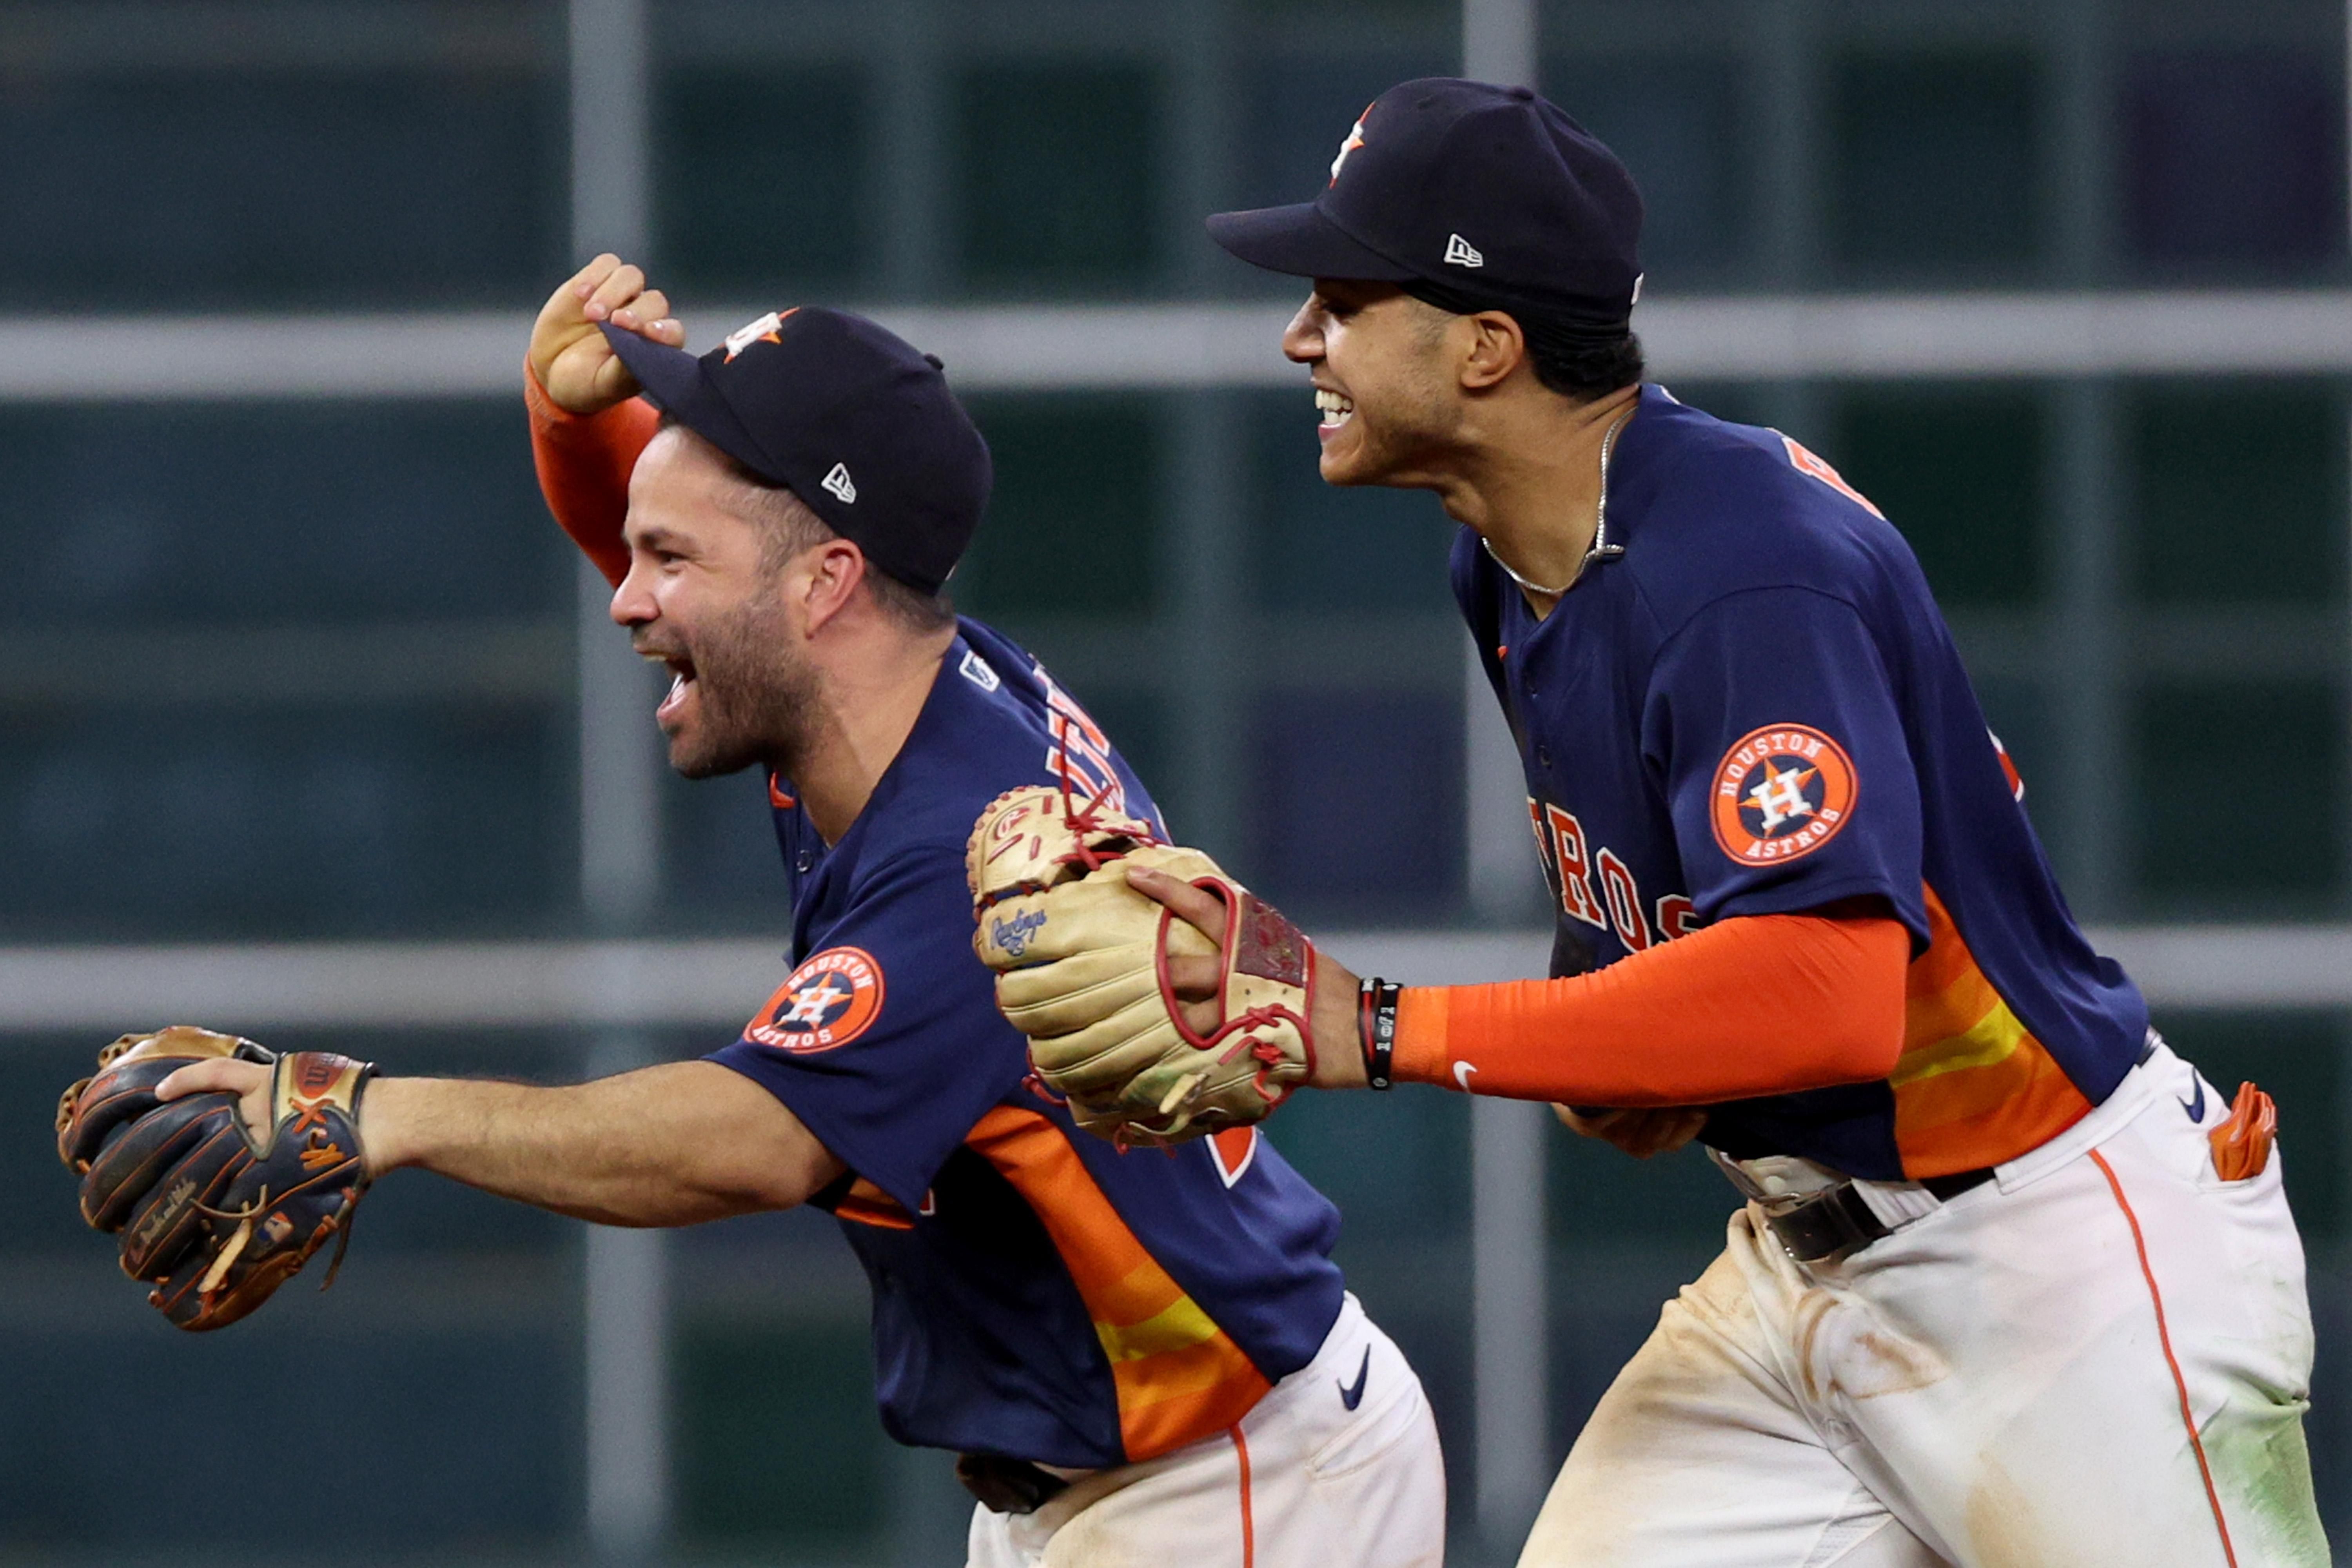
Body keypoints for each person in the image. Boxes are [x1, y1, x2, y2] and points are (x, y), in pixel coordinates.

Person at [1000, 79, 2329, 1566]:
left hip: (2060, 1269)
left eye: (1342, 297)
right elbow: (1651, 1011)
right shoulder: (1512, 565)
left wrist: (1367, 1024)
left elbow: (1828, 1000)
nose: (1303, 337)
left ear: (1488, 347)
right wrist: (1541, 1049)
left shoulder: (1741, 565)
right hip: (1799, 1281)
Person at [157, 256, 1445, 1568]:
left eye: (667, 556)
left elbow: (754, 1145)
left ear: (827, 582)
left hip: (1237, 1492)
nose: (626, 595)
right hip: (1123, 1470)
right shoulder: (897, 688)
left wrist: (387, 1117)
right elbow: (717, 613)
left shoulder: (980, 864)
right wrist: (565, 417)